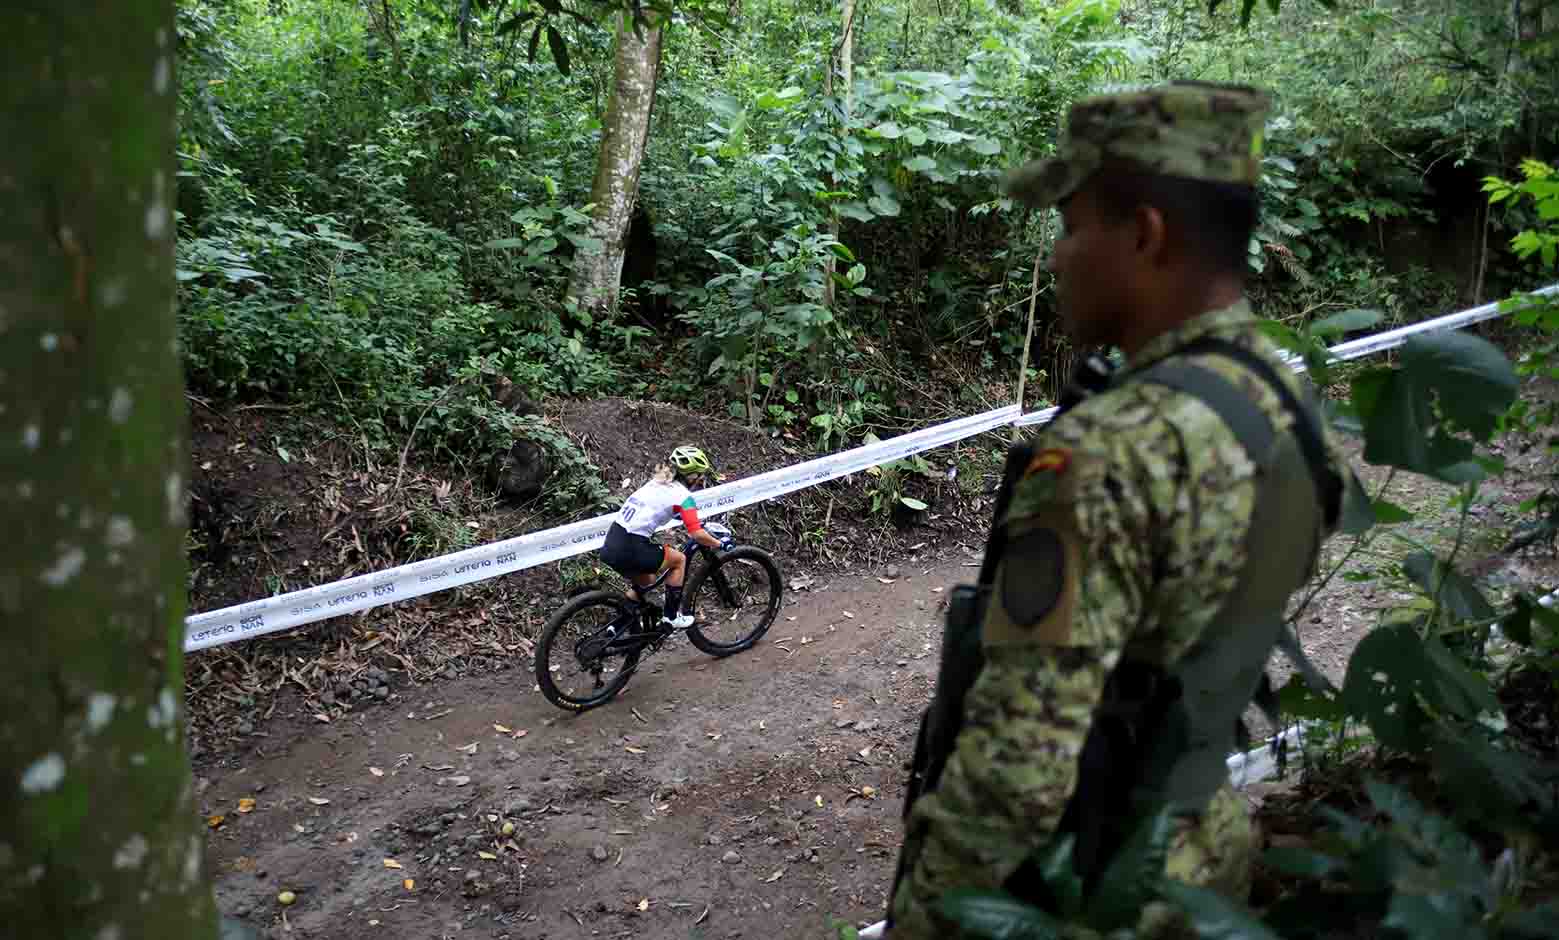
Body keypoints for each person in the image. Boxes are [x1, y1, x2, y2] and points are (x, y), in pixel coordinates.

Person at [884, 81, 1358, 939]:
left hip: (1087, 892)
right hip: (1203, 852)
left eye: (1071, 229)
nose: (1057, 257)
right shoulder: (1276, 398)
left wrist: (926, 916)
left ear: (1144, 235)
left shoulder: (1107, 451)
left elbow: (1016, 775)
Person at [599, 444, 733, 630]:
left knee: (646, 581)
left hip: (612, 543)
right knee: (679, 560)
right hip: (632, 545)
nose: (701, 478)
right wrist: (721, 543)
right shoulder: (683, 496)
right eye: (700, 474)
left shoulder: (657, 482)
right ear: (691, 475)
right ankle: (671, 617)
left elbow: (659, 507)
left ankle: (618, 626)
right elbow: (697, 534)